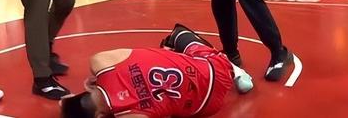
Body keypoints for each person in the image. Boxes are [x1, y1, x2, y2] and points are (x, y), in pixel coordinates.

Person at [60, 24, 252, 118]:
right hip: (215, 69)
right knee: (177, 34)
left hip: (205, 107)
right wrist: (98, 79)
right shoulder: (100, 62)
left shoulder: (129, 115)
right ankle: (235, 70)